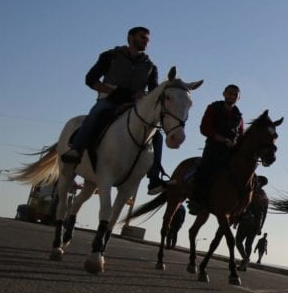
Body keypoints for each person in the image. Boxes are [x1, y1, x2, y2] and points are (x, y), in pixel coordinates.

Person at [60, 26, 173, 195]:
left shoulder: (150, 66)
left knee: (156, 134)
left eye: (147, 39)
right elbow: (90, 79)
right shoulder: (110, 56)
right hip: (109, 100)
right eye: (142, 37)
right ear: (130, 38)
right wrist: (110, 90)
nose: (146, 41)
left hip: (132, 106)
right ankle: (76, 150)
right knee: (96, 114)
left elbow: (153, 92)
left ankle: (154, 177)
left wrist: (144, 95)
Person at [193, 84, 244, 205]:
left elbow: (241, 134)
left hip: (231, 150)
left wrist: (236, 144)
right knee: (205, 169)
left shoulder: (239, 116)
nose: (232, 96)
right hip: (213, 147)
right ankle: (195, 199)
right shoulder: (213, 108)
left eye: (235, 95)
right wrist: (223, 140)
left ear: (238, 98)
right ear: (224, 94)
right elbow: (204, 128)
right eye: (230, 93)